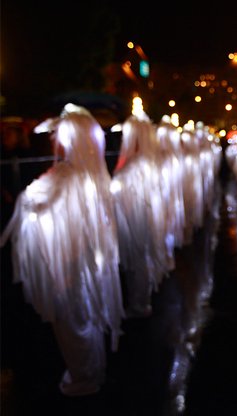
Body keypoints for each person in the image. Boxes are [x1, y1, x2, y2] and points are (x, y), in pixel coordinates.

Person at [1, 104, 125, 396]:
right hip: (81, 260)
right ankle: (92, 370)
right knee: (84, 313)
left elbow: (35, 204)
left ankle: (83, 378)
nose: (53, 138)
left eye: (58, 133)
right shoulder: (89, 175)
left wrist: (28, 198)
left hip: (64, 262)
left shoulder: (66, 177)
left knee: (71, 318)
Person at [111, 111, 174, 317]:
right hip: (143, 217)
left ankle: (140, 303)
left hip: (134, 220)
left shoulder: (134, 168)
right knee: (142, 256)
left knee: (137, 259)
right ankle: (142, 299)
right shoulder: (150, 163)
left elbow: (122, 197)